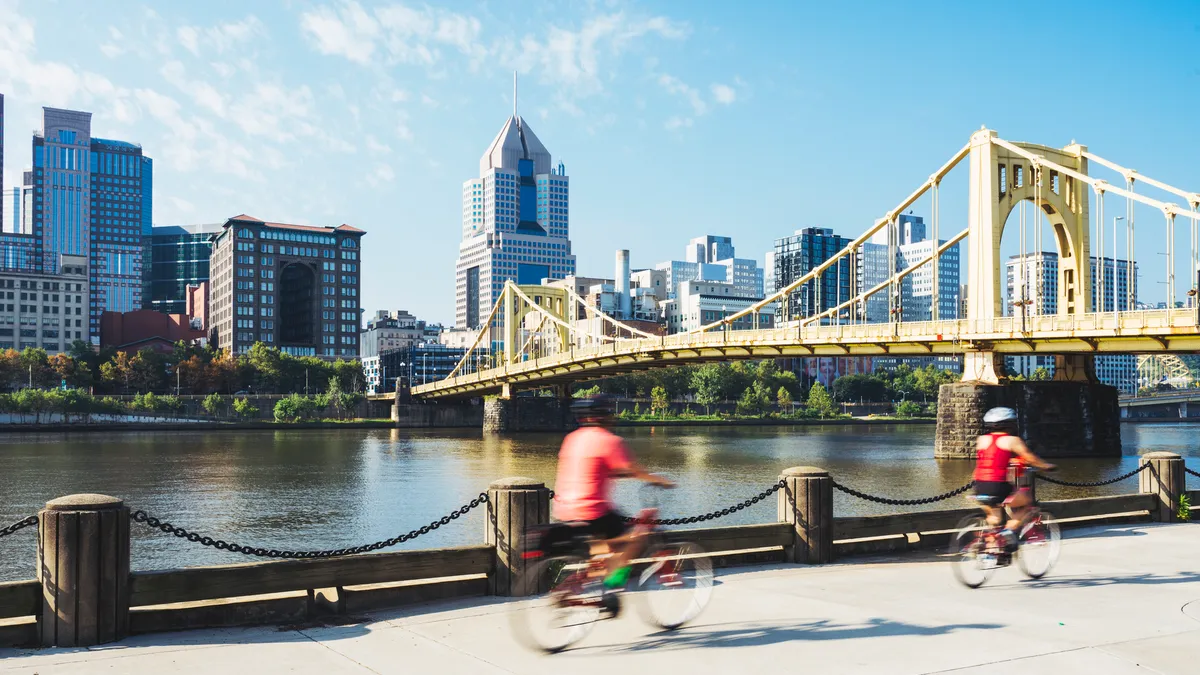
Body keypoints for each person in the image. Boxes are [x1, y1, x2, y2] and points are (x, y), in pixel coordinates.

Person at [553, 395, 673, 609]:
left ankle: (576, 586)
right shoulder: (610, 441)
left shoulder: (571, 438)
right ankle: (611, 588)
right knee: (639, 535)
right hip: (593, 511)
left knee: (604, 547)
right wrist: (659, 479)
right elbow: (634, 470)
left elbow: (592, 468)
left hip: (563, 509)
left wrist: (612, 473)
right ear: (606, 416)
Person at [973, 407, 1055, 557]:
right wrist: (1046, 466)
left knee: (994, 517)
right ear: (1011, 424)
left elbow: (991, 457)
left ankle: (991, 550)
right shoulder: (1012, 440)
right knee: (1027, 503)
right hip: (997, 485)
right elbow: (1030, 458)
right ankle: (1009, 532)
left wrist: (1008, 460)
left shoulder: (981, 439)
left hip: (979, 485)